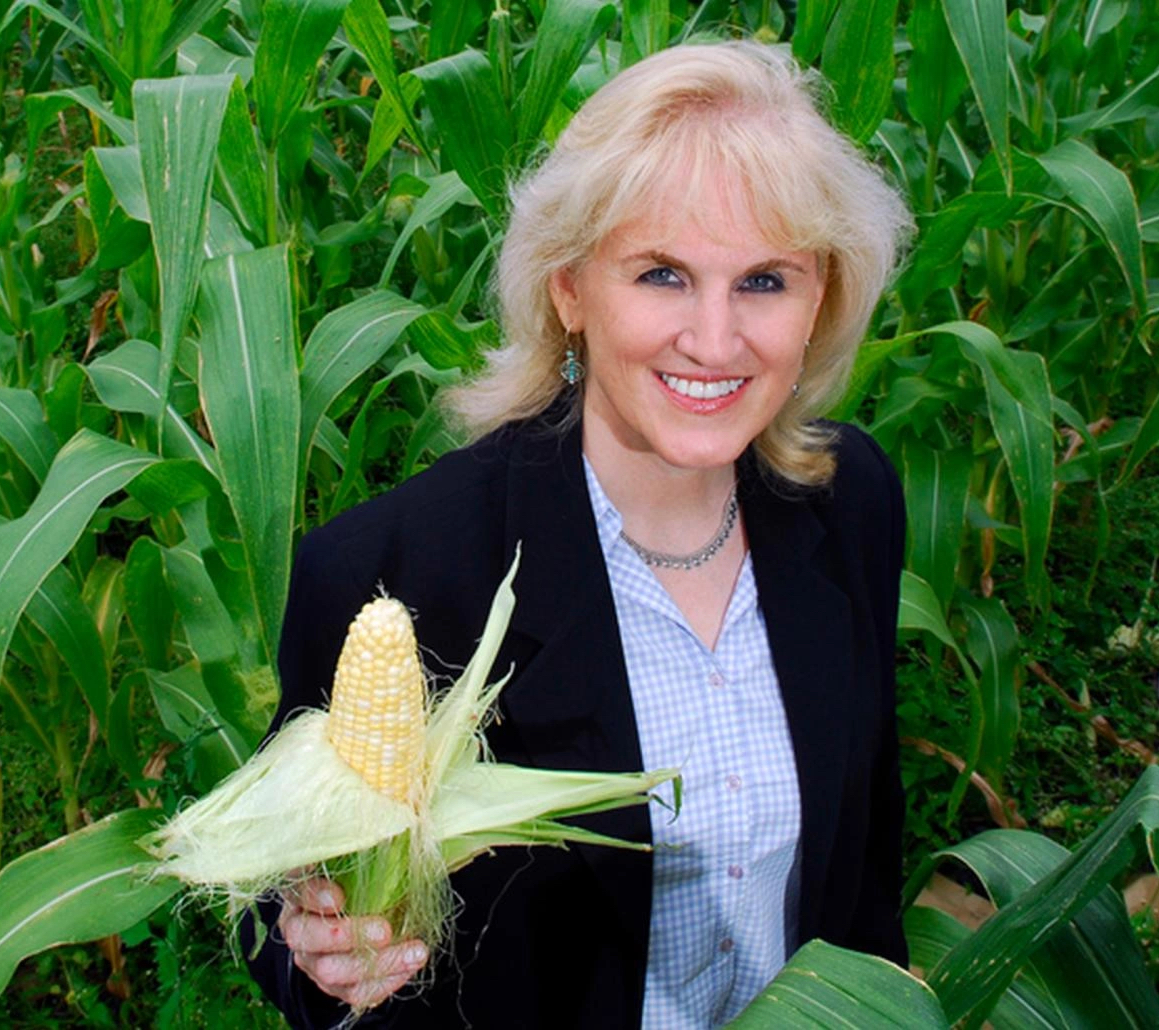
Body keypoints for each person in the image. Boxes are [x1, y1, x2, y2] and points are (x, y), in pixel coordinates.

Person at [244, 39, 914, 1029]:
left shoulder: (849, 497)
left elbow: (860, 852)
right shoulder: (393, 572)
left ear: (823, 298)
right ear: (569, 290)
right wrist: (316, 945)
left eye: (765, 281)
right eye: (660, 275)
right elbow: (286, 898)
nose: (715, 339)